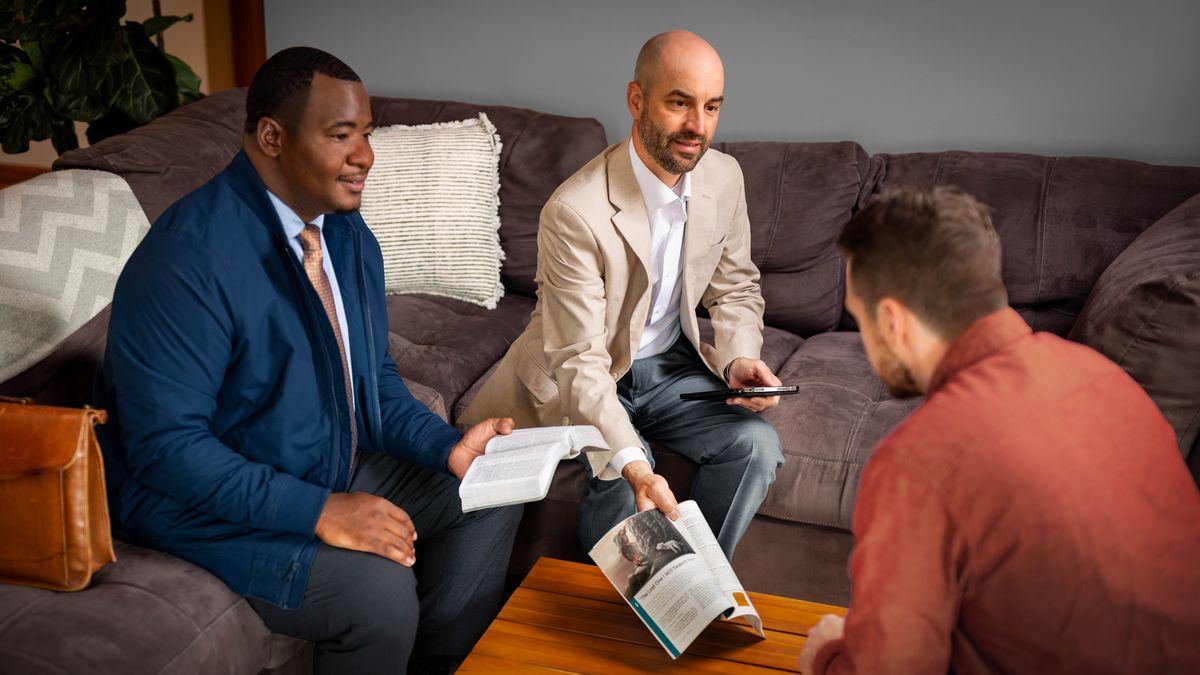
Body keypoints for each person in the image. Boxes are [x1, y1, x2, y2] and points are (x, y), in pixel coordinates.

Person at [94, 47, 523, 674]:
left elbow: (370, 378)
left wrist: (447, 448)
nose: (365, 156)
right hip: (198, 509)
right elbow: (166, 449)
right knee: (377, 595)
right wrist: (318, 510)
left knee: (492, 489)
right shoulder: (188, 258)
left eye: (366, 134)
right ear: (273, 137)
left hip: (317, 466)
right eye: (341, 135)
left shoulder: (343, 233)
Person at [797, 186, 1200, 674]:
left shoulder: (919, 459)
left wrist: (828, 655)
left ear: (892, 320)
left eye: (861, 319)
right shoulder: (1106, 378)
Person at [462, 30, 784, 559]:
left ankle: (698, 581)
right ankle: (616, 601)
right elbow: (579, 359)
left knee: (756, 446)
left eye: (711, 107)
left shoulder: (724, 177)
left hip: (671, 368)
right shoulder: (575, 211)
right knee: (619, 474)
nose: (698, 126)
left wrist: (739, 358)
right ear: (637, 100)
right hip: (585, 373)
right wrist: (634, 463)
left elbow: (736, 287)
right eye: (679, 103)